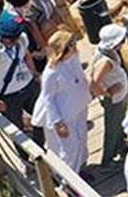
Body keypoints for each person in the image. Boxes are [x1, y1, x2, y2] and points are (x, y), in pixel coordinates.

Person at [0, 14, 44, 148]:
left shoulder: (22, 40)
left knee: (41, 118)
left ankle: (40, 147)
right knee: (17, 131)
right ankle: (25, 158)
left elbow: (26, 55)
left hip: (29, 86)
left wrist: (34, 74)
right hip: (9, 96)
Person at [33, 31, 92, 174]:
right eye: (72, 44)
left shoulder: (74, 57)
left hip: (78, 108)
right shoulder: (51, 72)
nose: (75, 46)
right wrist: (58, 123)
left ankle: (79, 170)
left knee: (81, 142)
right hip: (64, 116)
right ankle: (68, 182)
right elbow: (48, 98)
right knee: (70, 149)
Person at [91, 24, 128, 171]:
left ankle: (120, 145)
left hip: (120, 96)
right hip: (115, 100)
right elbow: (94, 84)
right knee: (112, 129)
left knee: (119, 124)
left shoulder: (104, 52)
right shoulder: (105, 62)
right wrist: (108, 93)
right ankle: (106, 162)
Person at [4, 0, 48, 73]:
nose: (30, 3)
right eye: (28, 1)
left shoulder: (11, 11)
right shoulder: (15, 23)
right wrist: (35, 54)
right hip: (28, 60)